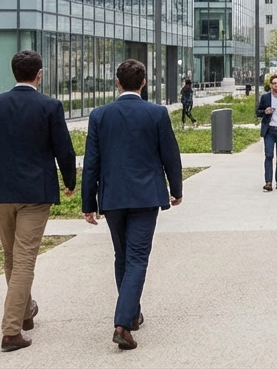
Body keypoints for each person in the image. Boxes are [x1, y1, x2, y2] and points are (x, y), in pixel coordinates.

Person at [0, 50, 77, 352]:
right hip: (35, 194)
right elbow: (63, 149)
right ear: (39, 74)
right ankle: (11, 330)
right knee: (24, 258)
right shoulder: (50, 106)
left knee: (12, 256)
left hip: (0, 192)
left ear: (14, 73)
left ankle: (26, 314)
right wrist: (70, 181)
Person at [81, 59, 183, 351]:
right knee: (137, 258)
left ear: (117, 82)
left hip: (112, 197)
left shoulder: (100, 115)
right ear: (144, 83)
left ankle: (132, 314)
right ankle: (123, 324)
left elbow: (91, 163)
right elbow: (170, 156)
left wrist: (89, 203)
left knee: (122, 257)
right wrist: (175, 190)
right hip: (146, 196)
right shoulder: (156, 113)